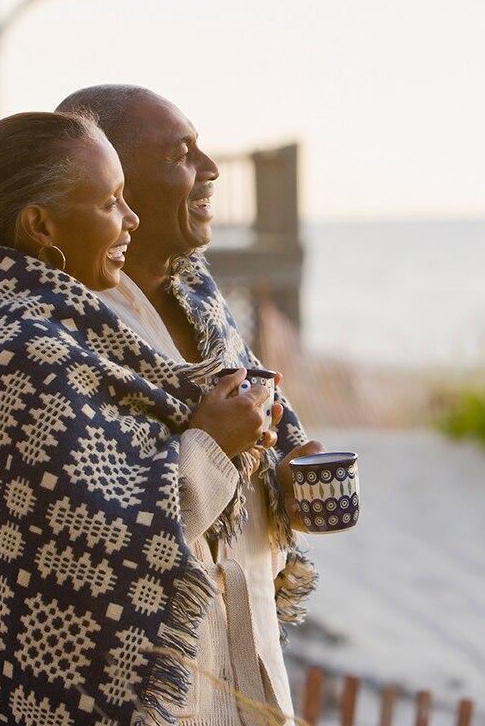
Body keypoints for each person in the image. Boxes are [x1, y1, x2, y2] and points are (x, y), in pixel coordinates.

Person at [0, 111, 280, 726]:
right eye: (110, 202)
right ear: (40, 225)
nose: (130, 220)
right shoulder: (18, 350)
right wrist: (209, 443)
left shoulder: (56, 325)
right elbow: (112, 538)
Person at [56, 87, 323, 724]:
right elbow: (90, 526)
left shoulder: (199, 292)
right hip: (149, 669)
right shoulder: (61, 329)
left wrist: (283, 472)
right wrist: (211, 445)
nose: (210, 169)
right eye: (181, 153)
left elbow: (253, 414)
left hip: (243, 639)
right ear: (109, 175)